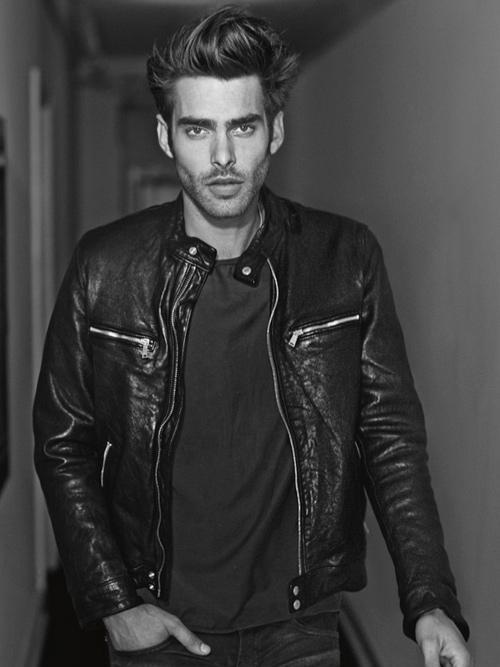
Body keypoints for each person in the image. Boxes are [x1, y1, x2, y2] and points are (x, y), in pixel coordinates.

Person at [34, 6, 472, 667]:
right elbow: (62, 442)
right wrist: (114, 603)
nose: (222, 157)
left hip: (299, 630)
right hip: (159, 629)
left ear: (275, 130)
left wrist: (430, 599)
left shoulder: (344, 258)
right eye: (197, 129)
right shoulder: (105, 267)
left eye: (242, 126)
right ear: (165, 136)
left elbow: (389, 438)